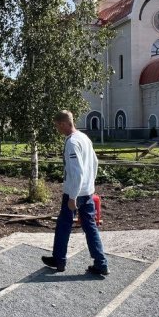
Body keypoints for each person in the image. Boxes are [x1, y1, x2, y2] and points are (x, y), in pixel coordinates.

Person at [41, 110, 109, 275]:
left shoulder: (72, 142)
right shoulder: (84, 138)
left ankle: (59, 260)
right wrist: (89, 186)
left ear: (64, 124)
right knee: (90, 227)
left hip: (74, 193)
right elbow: (95, 162)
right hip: (86, 192)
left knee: (63, 226)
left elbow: (76, 172)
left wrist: (73, 197)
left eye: (57, 126)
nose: (57, 129)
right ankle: (101, 263)